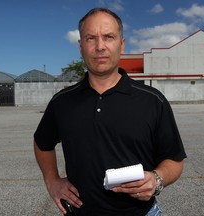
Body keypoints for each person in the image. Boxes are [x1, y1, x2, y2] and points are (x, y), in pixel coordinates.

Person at [34, 7, 186, 216]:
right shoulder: (62, 102)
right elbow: (42, 143)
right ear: (80, 47)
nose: (100, 46)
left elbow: (174, 160)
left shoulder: (153, 101)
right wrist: (52, 181)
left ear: (121, 44)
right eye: (90, 38)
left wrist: (157, 179)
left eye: (109, 37)